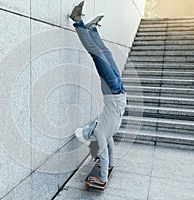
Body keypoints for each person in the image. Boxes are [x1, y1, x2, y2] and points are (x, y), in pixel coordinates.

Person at [70, 1, 127, 186]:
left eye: (89, 129)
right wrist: (104, 176)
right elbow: (105, 153)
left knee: (98, 54)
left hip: (112, 90)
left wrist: (110, 166)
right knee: (103, 53)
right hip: (117, 90)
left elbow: (107, 148)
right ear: (92, 137)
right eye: (89, 131)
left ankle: (80, 22)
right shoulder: (102, 134)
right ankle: (90, 28)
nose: (90, 127)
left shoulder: (100, 127)